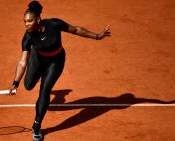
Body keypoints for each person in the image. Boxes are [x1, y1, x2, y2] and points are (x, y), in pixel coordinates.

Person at [8, 1, 111, 141]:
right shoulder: (28, 37)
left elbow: (76, 29)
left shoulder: (53, 24)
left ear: (38, 19)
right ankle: (40, 75)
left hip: (56, 63)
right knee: (28, 85)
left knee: (44, 91)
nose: (26, 24)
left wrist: (97, 36)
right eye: (24, 21)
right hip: (37, 59)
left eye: (29, 21)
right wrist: (15, 83)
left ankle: (36, 126)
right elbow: (22, 62)